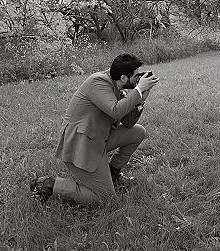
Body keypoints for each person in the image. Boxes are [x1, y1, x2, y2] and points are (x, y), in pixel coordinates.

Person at [30, 53, 159, 204]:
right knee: (106, 199)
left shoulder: (118, 86)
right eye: (136, 75)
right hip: (81, 145)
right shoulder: (98, 82)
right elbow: (115, 110)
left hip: (98, 139)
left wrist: (142, 98)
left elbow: (128, 123)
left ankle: (113, 173)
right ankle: (48, 184)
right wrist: (137, 91)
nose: (139, 79)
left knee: (138, 132)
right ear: (124, 77)